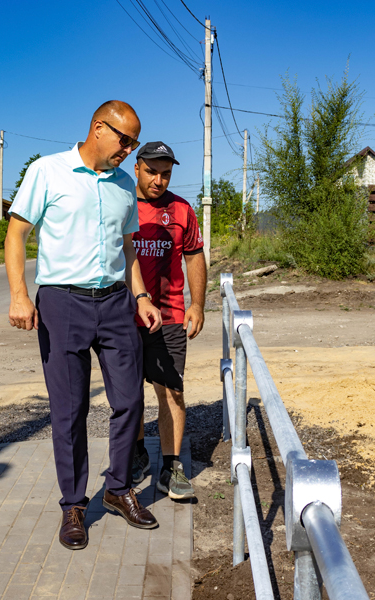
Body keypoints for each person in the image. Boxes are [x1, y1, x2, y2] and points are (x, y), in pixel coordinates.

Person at [5, 101, 162, 551]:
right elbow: (16, 233)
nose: (129, 151)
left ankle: (117, 488)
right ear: (98, 128)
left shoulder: (124, 186)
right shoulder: (47, 171)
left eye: (133, 143)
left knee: (129, 400)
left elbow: (129, 248)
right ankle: (74, 505)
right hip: (61, 303)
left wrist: (142, 297)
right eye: (124, 140)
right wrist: (19, 294)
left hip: (114, 303)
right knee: (69, 412)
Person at [130, 141, 206, 501]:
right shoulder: (122, 205)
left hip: (172, 314)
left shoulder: (181, 209)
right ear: (137, 169)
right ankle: (136, 454)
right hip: (125, 316)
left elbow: (194, 258)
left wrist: (198, 304)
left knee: (172, 392)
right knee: (127, 394)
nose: (159, 180)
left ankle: (171, 468)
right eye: (152, 172)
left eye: (166, 174)